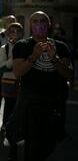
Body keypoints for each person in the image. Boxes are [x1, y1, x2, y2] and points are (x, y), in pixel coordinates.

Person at [6, 11, 73, 161]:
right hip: (29, 102)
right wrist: (33, 56)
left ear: (49, 24)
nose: (39, 24)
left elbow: (68, 74)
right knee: (31, 146)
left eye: (43, 21)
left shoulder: (61, 47)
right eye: (35, 21)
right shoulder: (22, 46)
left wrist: (54, 59)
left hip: (52, 103)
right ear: (30, 25)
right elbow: (18, 73)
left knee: (47, 146)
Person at [0, 15, 16, 129]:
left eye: (13, 21)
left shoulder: (18, 37)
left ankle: (6, 122)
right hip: (0, 70)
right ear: (5, 24)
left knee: (10, 97)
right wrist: (3, 64)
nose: (11, 23)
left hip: (13, 72)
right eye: (9, 21)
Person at [0, 22, 24, 129]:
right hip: (9, 80)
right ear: (8, 34)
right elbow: (0, 66)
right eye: (12, 31)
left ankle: (18, 126)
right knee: (9, 104)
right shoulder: (5, 48)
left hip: (23, 81)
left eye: (18, 31)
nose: (15, 33)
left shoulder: (27, 46)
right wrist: (13, 58)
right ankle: (5, 124)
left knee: (21, 105)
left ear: (22, 33)